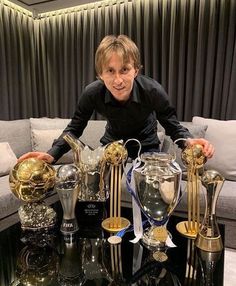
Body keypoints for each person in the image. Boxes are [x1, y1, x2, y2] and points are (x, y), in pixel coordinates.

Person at [19, 35, 214, 163]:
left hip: (147, 144)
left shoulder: (153, 91)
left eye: (125, 70)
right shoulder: (92, 93)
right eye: (110, 71)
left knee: (156, 189)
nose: (118, 80)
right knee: (100, 190)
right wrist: (52, 154)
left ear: (135, 70)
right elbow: (74, 129)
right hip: (112, 144)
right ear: (100, 74)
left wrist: (189, 141)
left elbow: (172, 126)